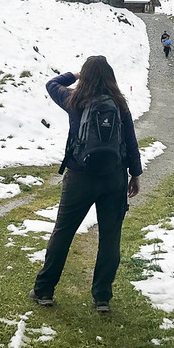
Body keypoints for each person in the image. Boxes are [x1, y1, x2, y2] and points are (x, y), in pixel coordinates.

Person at [30, 55, 142, 313]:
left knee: (63, 232)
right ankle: (102, 297)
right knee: (110, 237)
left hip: (79, 176)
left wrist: (74, 76)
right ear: (111, 77)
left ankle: (44, 290)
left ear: (86, 76)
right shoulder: (119, 104)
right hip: (114, 178)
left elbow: (51, 84)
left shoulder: (74, 100)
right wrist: (134, 174)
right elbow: (131, 141)